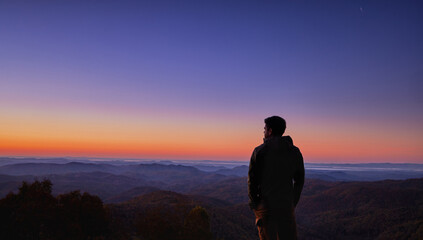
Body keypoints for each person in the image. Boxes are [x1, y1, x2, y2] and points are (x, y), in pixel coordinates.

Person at [248, 116, 304, 240]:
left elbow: (252, 181)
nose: (263, 132)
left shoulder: (260, 152)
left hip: (265, 207)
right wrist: (292, 202)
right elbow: (299, 181)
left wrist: (256, 203)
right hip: (286, 206)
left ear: (270, 131)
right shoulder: (294, 152)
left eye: (265, 129)